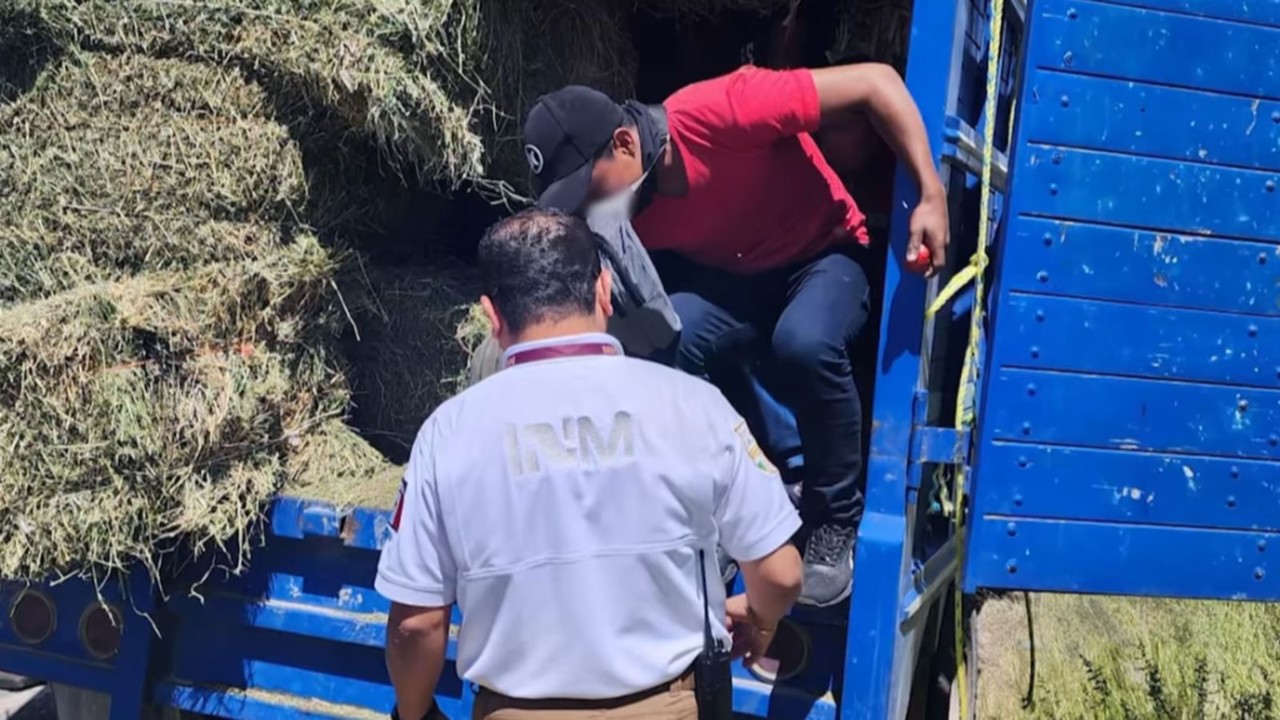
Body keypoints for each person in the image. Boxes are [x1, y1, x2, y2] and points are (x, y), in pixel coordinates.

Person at [522, 62, 949, 607]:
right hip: (738, 279)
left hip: (823, 252)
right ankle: (716, 511)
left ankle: (834, 516)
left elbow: (877, 83)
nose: (587, 209)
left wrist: (931, 193)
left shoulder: (722, 109)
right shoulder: (614, 210)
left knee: (804, 341)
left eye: (587, 189)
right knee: (663, 350)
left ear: (626, 143)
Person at [375, 209, 804, 720]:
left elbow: (415, 625)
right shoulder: (694, 405)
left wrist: (415, 713)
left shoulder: (448, 433)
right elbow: (780, 574)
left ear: (492, 317)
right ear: (604, 290)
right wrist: (760, 620)